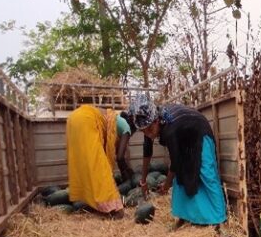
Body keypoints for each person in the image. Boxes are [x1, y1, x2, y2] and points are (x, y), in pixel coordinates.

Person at [128, 94, 227, 226]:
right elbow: (147, 152)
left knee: (207, 174)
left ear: (157, 121)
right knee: (181, 176)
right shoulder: (148, 124)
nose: (148, 134)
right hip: (184, 139)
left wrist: (167, 185)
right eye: (144, 132)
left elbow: (175, 162)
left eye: (150, 130)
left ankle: (220, 218)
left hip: (200, 134)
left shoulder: (170, 129)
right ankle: (186, 215)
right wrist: (143, 181)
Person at [66, 105, 135, 217]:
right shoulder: (127, 128)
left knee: (86, 164)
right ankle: (115, 209)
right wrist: (126, 177)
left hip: (73, 119)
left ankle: (93, 203)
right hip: (86, 120)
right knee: (99, 166)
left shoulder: (115, 119)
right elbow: (120, 157)